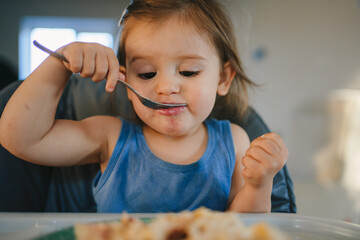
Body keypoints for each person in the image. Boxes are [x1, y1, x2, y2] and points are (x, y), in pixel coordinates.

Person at [0, 0, 288, 213]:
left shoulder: (235, 141)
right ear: (125, 82)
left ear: (223, 78)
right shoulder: (110, 138)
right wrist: (59, 63)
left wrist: (259, 184)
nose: (166, 87)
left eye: (188, 72)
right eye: (147, 74)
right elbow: (21, 139)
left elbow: (243, 229)